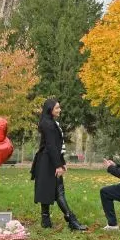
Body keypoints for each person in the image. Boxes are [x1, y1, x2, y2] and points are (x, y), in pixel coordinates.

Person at [30, 98, 87, 231]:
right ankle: (71, 220)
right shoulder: (48, 124)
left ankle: (46, 221)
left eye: (59, 107)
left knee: (52, 190)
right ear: (50, 109)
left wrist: (62, 162)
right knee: (58, 191)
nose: (59, 110)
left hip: (49, 160)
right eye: (57, 108)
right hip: (47, 161)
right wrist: (58, 165)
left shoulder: (50, 122)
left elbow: (56, 146)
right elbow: (50, 146)